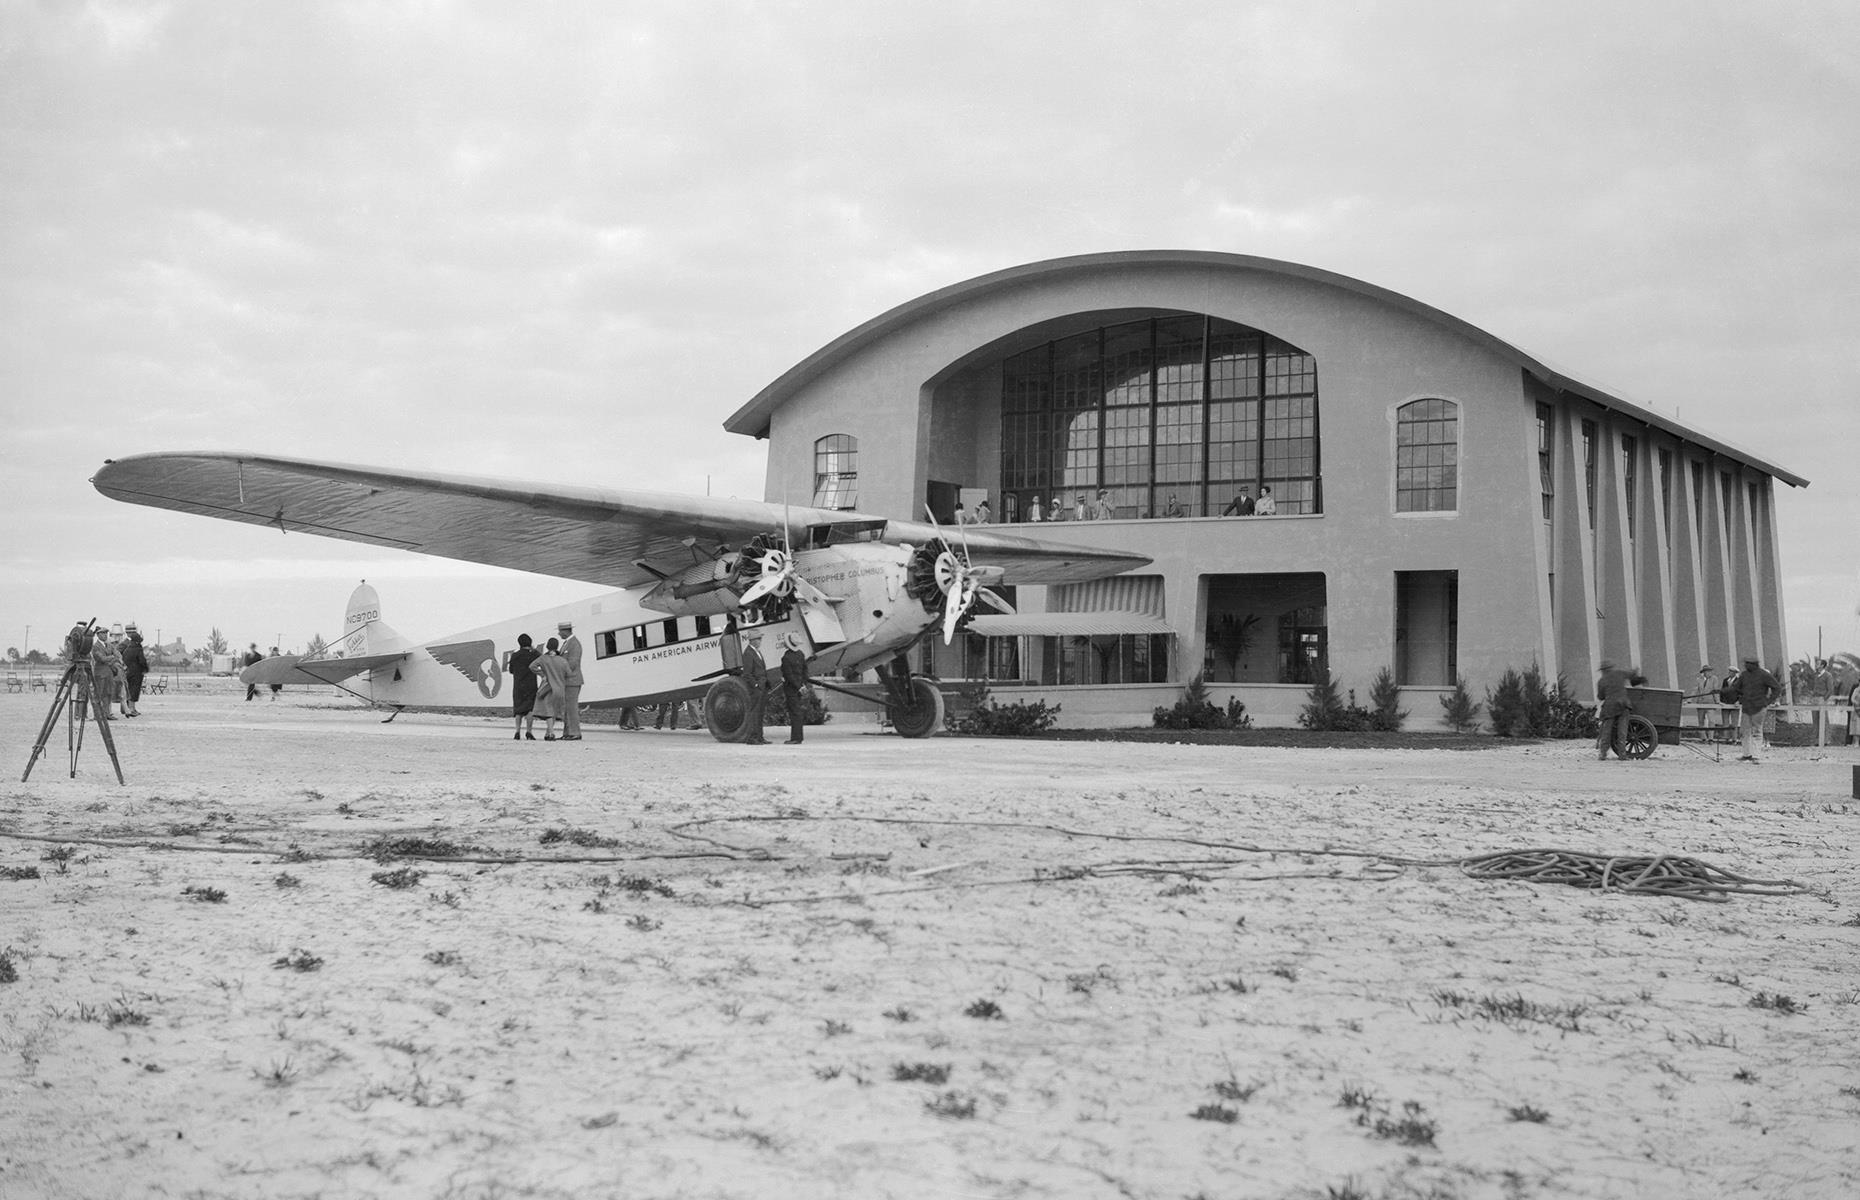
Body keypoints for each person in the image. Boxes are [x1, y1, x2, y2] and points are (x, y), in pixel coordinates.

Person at [1594, 659, 1646, 760]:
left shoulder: (1601, 681)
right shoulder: (1619, 673)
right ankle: (1622, 754)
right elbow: (1632, 675)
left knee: (1607, 731)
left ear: (1603, 670)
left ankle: (1603, 754)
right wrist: (1635, 671)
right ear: (1611, 668)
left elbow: (1600, 696)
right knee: (1622, 731)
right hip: (1623, 704)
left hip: (1610, 707)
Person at [1731, 655, 1781, 761]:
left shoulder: (1764, 675)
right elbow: (1735, 688)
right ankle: (1746, 754)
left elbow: (1777, 688)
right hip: (1747, 707)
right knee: (1745, 731)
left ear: (1753, 665)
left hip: (1759, 707)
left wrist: (1768, 701)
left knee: (1757, 731)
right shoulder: (1744, 675)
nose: (1745, 665)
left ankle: (1756, 756)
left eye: (1747, 664)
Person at [532, 636, 568, 740]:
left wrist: (542, 674)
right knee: (554, 710)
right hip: (559, 685)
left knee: (548, 710)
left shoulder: (543, 658)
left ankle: (550, 733)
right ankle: (548, 733)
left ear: (547, 646)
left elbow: (532, 666)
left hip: (547, 685)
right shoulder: (561, 658)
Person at [779, 632, 810, 744]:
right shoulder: (801, 654)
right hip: (800, 687)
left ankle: (796, 738)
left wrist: (797, 686)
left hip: (791, 689)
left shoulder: (786, 658)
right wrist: (803, 685)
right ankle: (798, 736)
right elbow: (805, 671)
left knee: (794, 712)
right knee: (798, 712)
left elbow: (788, 675)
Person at [508, 633, 539, 740]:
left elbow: (511, 670)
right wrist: (534, 649)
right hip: (531, 684)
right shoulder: (534, 654)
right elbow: (541, 660)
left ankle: (517, 731)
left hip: (518, 685)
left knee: (518, 709)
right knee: (530, 709)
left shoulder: (515, 655)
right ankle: (529, 731)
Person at [740, 631, 770, 744]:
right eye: (759, 639)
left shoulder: (756, 652)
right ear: (753, 640)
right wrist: (755, 685)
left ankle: (759, 737)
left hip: (761, 686)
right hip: (756, 688)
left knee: (760, 712)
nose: (760, 641)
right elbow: (747, 673)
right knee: (755, 712)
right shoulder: (748, 653)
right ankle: (752, 737)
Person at [558, 620, 584, 740]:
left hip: (572, 680)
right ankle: (568, 732)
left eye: (560, 631)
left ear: (565, 631)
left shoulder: (574, 644)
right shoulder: (567, 643)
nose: (559, 634)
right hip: (568, 680)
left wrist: (559, 672)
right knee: (568, 708)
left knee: (572, 707)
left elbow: (572, 663)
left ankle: (575, 732)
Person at [90, 631, 123, 722]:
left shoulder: (108, 645)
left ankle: (107, 713)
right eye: (103, 633)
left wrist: (112, 657)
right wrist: (112, 657)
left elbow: (118, 655)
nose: (105, 635)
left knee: (108, 693)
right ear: (98, 635)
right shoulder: (95, 646)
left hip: (109, 673)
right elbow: (101, 659)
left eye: (106, 633)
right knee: (98, 694)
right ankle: (97, 715)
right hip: (100, 673)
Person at [120, 623, 149, 717]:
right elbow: (142, 661)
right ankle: (132, 709)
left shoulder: (127, 649)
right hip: (136, 672)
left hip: (127, 672)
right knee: (134, 690)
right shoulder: (138, 648)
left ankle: (127, 709)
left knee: (128, 690)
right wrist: (145, 669)